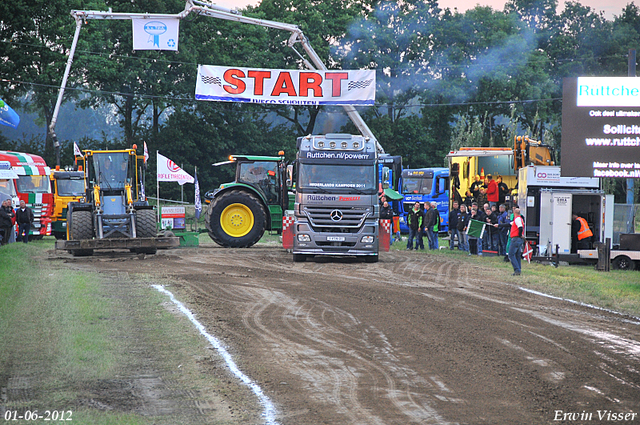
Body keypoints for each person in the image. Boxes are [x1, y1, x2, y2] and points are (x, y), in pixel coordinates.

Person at [508, 206, 525, 276]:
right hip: (519, 239)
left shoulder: (517, 219)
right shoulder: (519, 219)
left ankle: (517, 270)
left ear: (514, 213)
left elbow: (520, 227)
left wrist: (520, 234)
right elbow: (508, 224)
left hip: (516, 238)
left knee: (511, 254)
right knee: (517, 255)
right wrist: (499, 225)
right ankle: (519, 269)